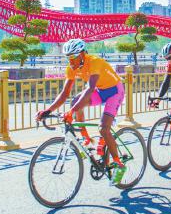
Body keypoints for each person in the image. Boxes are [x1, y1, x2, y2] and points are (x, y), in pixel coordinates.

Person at [35, 39, 127, 184]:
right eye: (68, 58)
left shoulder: (94, 62)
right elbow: (65, 93)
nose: (70, 61)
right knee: (74, 101)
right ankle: (86, 138)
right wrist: (47, 110)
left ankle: (118, 163)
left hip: (114, 91)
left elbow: (90, 89)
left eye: (73, 57)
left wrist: (71, 112)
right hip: (100, 91)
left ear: (82, 54)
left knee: (103, 129)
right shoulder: (71, 68)